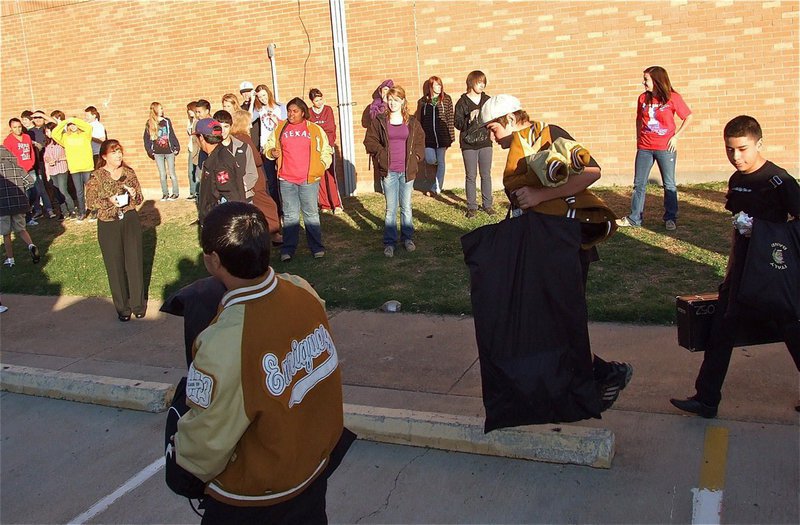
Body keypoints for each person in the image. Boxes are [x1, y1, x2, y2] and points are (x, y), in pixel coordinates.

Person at [170, 201, 345, 524]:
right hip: (312, 470)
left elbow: (207, 438)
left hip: (255, 498)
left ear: (213, 260)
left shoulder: (224, 341)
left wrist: (182, 461)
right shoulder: (302, 289)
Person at [479, 94, 633, 411]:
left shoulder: (550, 135)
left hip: (566, 245)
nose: (491, 138)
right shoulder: (518, 150)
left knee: (560, 323)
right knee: (547, 323)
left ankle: (602, 378)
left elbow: (592, 171)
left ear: (509, 119)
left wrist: (538, 194)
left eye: (492, 129)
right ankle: (589, 381)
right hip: (540, 246)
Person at [670, 116, 800, 418]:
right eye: (730, 150)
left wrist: (763, 230)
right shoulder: (736, 179)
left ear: (759, 144)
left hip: (772, 270)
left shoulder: (779, 181)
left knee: (792, 329)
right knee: (722, 330)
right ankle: (706, 399)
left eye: (742, 149)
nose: (736, 157)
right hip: (740, 268)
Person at [617, 66, 693, 231]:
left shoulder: (673, 98)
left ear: (657, 81)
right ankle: (634, 218)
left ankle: (670, 218)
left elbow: (688, 116)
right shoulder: (643, 98)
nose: (643, 82)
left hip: (665, 148)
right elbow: (639, 119)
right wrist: (638, 138)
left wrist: (676, 137)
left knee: (669, 184)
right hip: (645, 147)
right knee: (639, 184)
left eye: (646, 79)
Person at [84, 140, 146, 322]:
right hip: (109, 223)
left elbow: (140, 197)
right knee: (115, 265)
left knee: (134, 261)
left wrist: (135, 195)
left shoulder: (128, 173)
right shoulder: (97, 177)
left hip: (130, 220)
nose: (119, 156)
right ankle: (123, 308)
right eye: (114, 153)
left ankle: (138, 305)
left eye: (120, 152)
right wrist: (109, 200)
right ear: (104, 156)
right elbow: (91, 202)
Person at [265, 97, 332, 261]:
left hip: (308, 179)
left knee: (311, 214)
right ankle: (288, 249)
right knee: (290, 215)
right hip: (287, 179)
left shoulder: (314, 129)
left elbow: (326, 149)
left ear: (303, 112)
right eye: (289, 111)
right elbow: (268, 146)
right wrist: (271, 152)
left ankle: (316, 247)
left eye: (295, 111)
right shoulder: (280, 128)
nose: (291, 114)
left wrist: (321, 166)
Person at [364, 85, 425, 258]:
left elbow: (420, 141)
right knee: (391, 209)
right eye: (390, 100)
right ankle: (389, 243)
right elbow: (370, 141)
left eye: (396, 100)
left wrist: (416, 157)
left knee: (406, 206)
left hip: (407, 171)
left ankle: (407, 238)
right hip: (389, 171)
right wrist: (381, 155)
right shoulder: (380, 121)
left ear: (403, 101)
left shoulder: (412, 122)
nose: (392, 103)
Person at [231, 108, 281, 241]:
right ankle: (273, 233)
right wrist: (262, 155)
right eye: (248, 123)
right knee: (269, 205)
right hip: (255, 180)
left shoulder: (233, 139)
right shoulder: (244, 138)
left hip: (244, 180)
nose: (251, 125)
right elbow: (256, 160)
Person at [195, 117, 250, 223]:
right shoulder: (216, 156)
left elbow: (229, 196)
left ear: (201, 137)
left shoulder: (220, 162)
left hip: (220, 223)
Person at [454, 70, 494, 217]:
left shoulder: (487, 100)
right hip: (468, 143)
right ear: (471, 82)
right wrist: (468, 118)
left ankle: (487, 205)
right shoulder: (462, 102)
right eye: (479, 82)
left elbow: (494, 120)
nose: (482, 85)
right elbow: (457, 123)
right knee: (471, 175)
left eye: (484, 82)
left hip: (485, 142)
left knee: (486, 174)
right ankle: (472, 207)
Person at [4, 118, 54, 224]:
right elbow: (8, 157)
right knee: (24, 194)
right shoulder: (8, 141)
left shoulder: (26, 137)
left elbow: (31, 152)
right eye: (15, 127)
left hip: (30, 168)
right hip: (18, 171)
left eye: (19, 127)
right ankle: (28, 218)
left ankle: (34, 210)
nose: (18, 129)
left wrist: (31, 163)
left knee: (35, 191)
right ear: (11, 128)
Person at [0, 145, 39, 268]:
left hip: (2, 206)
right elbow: (30, 182)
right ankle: (31, 246)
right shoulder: (17, 167)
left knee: (6, 234)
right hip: (19, 204)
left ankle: (10, 259)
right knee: (22, 229)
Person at [416, 75, 455, 196]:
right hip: (429, 138)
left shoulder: (446, 99)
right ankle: (438, 165)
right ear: (430, 87)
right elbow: (420, 120)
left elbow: (450, 118)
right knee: (430, 159)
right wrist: (421, 138)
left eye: (440, 85)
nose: (439, 87)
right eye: (436, 85)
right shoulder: (423, 101)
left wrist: (451, 137)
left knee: (441, 162)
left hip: (443, 137)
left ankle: (436, 188)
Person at [51, 116, 94, 221]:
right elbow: (54, 133)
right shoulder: (65, 137)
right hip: (74, 168)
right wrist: (66, 121)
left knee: (90, 190)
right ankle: (82, 212)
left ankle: (94, 210)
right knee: (79, 192)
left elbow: (88, 126)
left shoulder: (85, 134)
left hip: (87, 166)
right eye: (70, 125)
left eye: (74, 124)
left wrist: (74, 120)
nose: (73, 126)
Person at [308, 88, 343, 213]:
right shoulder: (309, 112)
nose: (319, 102)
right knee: (320, 176)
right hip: (316, 149)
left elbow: (330, 127)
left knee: (331, 175)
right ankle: (324, 205)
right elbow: (311, 129)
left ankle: (336, 204)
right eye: (316, 100)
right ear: (312, 101)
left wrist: (329, 144)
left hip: (327, 147)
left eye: (320, 99)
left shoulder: (328, 110)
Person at [253, 84, 287, 214]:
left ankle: (285, 207)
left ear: (269, 93)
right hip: (265, 148)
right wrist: (252, 100)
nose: (262, 98)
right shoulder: (259, 109)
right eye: (260, 96)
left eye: (264, 95)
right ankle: (277, 210)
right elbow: (249, 119)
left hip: (278, 146)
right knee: (270, 181)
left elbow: (285, 125)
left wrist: (276, 120)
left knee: (281, 180)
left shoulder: (280, 107)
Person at [143, 102, 181, 201]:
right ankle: (165, 193)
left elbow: (172, 134)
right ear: (155, 110)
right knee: (162, 174)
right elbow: (146, 138)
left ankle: (175, 193)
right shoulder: (149, 123)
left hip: (169, 151)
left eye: (162, 108)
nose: (162, 110)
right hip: (158, 153)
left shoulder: (166, 121)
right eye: (160, 109)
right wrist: (149, 150)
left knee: (172, 173)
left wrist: (176, 146)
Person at [43, 122, 75, 219]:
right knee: (57, 192)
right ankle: (64, 211)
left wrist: (57, 159)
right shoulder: (48, 144)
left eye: (48, 131)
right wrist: (48, 167)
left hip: (61, 169)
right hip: (52, 171)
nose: (47, 133)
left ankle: (72, 209)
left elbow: (68, 155)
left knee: (63, 190)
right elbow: (46, 158)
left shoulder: (61, 142)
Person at [185, 102, 200, 200]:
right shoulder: (190, 122)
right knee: (191, 171)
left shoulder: (198, 121)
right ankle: (192, 191)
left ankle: (198, 191)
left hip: (197, 148)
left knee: (197, 171)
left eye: (190, 109)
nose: (189, 112)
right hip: (191, 148)